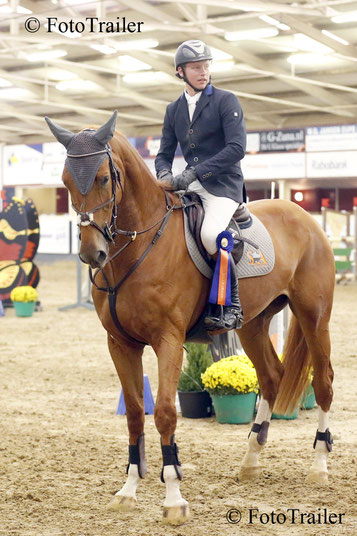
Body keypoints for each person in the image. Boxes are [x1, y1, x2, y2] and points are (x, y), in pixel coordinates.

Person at [155, 39, 246, 331]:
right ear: (180, 72)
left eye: (206, 66)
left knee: (210, 236)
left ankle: (231, 305)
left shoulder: (225, 100)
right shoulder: (173, 109)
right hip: (189, 187)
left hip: (223, 186)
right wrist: (164, 176)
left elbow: (236, 148)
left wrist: (194, 173)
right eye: (196, 67)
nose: (203, 72)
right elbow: (163, 154)